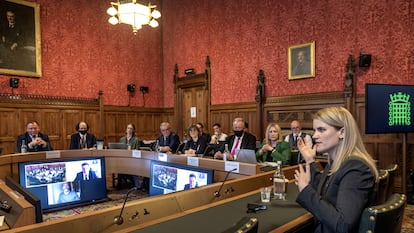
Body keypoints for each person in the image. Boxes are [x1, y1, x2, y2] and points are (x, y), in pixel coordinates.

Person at [294, 107, 379, 233]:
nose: (315, 136)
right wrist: (310, 161)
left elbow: (342, 225)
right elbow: (326, 191)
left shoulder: (356, 168)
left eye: (321, 130)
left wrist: (305, 190)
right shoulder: (336, 161)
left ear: (342, 132)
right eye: (315, 130)